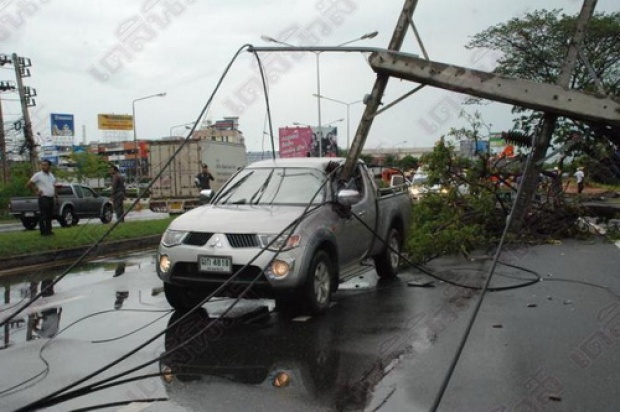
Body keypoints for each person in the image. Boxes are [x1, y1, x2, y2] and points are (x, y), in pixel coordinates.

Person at [26, 159, 57, 236]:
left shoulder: (51, 175)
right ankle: (43, 231)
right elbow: (29, 184)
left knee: (50, 215)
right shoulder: (38, 175)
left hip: (50, 197)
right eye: (42, 165)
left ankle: (49, 230)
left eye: (45, 165)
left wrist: (56, 195)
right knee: (44, 215)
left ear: (49, 166)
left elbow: (53, 185)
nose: (43, 167)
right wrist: (36, 192)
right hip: (43, 198)